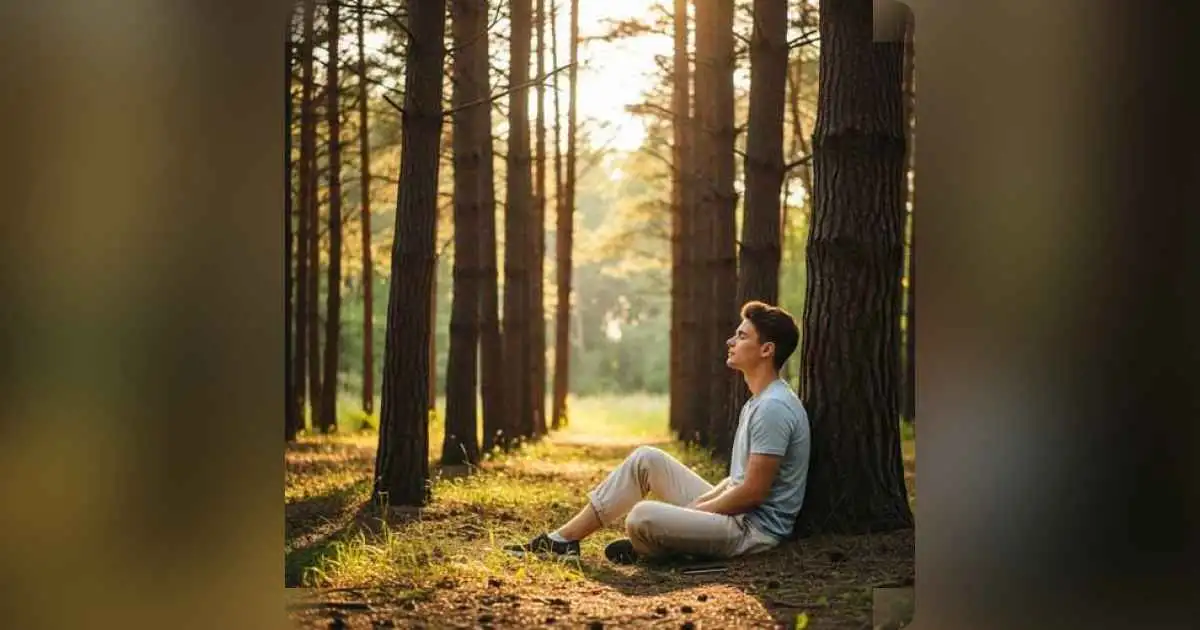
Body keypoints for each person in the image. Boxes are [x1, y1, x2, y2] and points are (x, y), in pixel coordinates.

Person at [504, 301, 811, 564]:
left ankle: (663, 545)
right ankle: (564, 540)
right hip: (734, 518)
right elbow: (736, 481)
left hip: (752, 532)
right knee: (646, 459)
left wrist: (698, 512)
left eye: (741, 336)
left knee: (640, 516)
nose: (730, 341)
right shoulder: (758, 401)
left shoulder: (773, 407)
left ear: (766, 350)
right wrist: (697, 511)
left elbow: (752, 493)